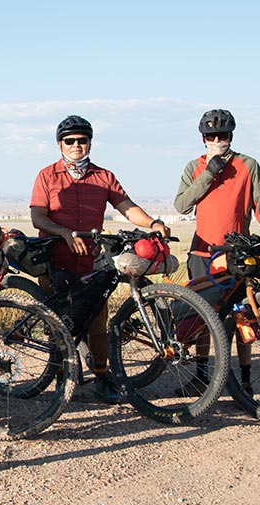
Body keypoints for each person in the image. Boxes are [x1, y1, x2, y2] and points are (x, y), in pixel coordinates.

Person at [30, 115, 170, 404]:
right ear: (60, 145)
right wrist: (64, 232)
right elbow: (37, 216)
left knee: (98, 323)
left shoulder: (103, 176)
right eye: (70, 141)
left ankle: (102, 377)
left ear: (90, 143)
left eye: (82, 140)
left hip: (92, 260)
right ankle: (61, 378)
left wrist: (153, 223)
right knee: (60, 322)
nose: (76, 145)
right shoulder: (47, 175)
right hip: (56, 259)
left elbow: (127, 207)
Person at [174, 108, 260, 396]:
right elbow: (182, 205)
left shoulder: (248, 165)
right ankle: (201, 377)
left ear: (231, 136)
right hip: (202, 254)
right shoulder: (193, 167)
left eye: (222, 135)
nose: (217, 140)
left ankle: (244, 381)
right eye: (211, 136)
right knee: (202, 317)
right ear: (203, 138)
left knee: (241, 317)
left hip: (237, 254)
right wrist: (208, 173)